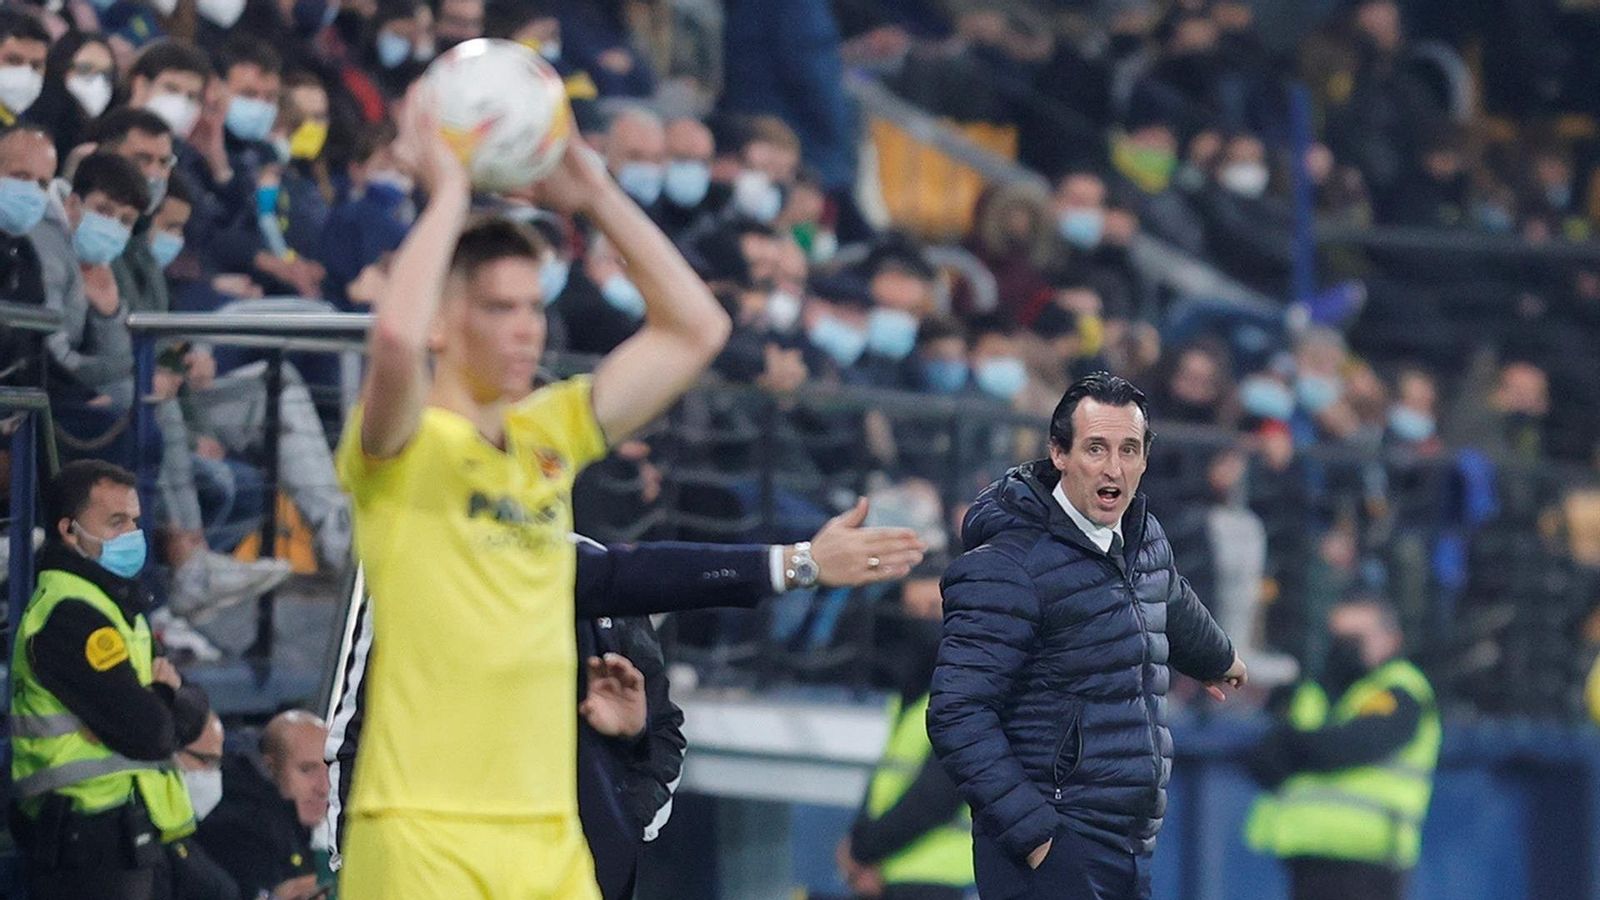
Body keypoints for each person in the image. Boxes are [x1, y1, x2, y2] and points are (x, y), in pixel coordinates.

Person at [332, 80, 731, 897]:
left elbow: (697, 329)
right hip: (419, 834)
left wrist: (594, 192)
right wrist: (448, 194)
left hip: (548, 838)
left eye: (532, 306)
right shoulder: (401, 450)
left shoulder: (548, 436)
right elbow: (397, 339)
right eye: (496, 306)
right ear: (447, 321)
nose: (525, 327)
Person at [323, 504, 926, 897]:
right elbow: (349, 727)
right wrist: (798, 564)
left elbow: (663, 740)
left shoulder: (604, 581)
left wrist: (623, 779)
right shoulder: (411, 559)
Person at [928, 372, 1247, 900]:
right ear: (1058, 453)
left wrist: (1218, 656)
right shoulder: (1007, 565)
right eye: (1096, 448)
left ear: (1146, 458)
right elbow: (957, 713)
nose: (1113, 468)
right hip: (1053, 842)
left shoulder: (1141, 537)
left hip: (1127, 839)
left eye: (1128, 450)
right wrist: (1035, 837)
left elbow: (1166, 592)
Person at [9, 460, 205, 899]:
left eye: (135, 520)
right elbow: (150, 733)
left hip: (130, 834)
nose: (132, 534)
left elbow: (196, 711)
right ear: (68, 530)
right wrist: (163, 695)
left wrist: (164, 701)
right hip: (85, 839)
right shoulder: (69, 614)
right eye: (116, 522)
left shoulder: (116, 603)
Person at [1245, 597, 1440, 900]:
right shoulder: (1315, 692)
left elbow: (1351, 745)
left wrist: (1296, 745)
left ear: (1392, 639)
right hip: (1306, 856)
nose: (1345, 647)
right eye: (1339, 637)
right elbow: (1265, 757)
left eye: (1357, 637)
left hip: (1370, 863)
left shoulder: (1400, 689)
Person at [838, 565, 975, 900]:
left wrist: (863, 850)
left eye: (933, 610)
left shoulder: (970, 698)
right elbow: (885, 785)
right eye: (912, 611)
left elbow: (934, 798)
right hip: (887, 876)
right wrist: (859, 848)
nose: (922, 623)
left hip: (937, 880)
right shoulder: (914, 697)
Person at [195, 711, 328, 900]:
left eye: (331, 770)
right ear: (270, 768)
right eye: (307, 770)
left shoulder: (296, 827)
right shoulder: (240, 832)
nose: (323, 787)